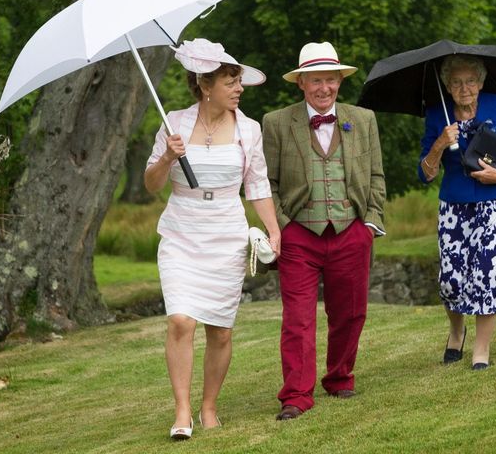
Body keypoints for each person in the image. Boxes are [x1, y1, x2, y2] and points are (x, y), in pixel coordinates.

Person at [144, 38, 281, 439]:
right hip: (181, 233)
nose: (239, 88)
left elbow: (257, 186)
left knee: (220, 329)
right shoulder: (174, 124)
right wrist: (168, 158)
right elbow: (151, 185)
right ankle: (182, 411)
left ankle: (209, 407)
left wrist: (273, 229)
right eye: (230, 81)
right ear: (206, 85)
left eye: (239, 81)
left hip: (227, 231)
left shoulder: (249, 130)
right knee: (181, 320)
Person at [262, 41, 386, 420]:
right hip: (299, 233)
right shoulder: (276, 123)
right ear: (301, 83)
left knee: (350, 313)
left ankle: (340, 377)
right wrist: (281, 226)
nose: (324, 88)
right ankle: (296, 395)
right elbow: (265, 182)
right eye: (316, 81)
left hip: (351, 229)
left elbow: (377, 176)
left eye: (331, 80)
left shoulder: (362, 119)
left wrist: (370, 223)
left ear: (339, 81)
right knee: (297, 318)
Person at [418, 54, 496, 370]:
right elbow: (424, 173)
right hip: (454, 204)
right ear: (448, 86)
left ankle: (481, 350)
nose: (464, 88)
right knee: (450, 279)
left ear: (480, 83)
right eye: (456, 82)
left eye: (470, 81)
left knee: (487, 272)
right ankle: (457, 331)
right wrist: (439, 143)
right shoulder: (437, 114)